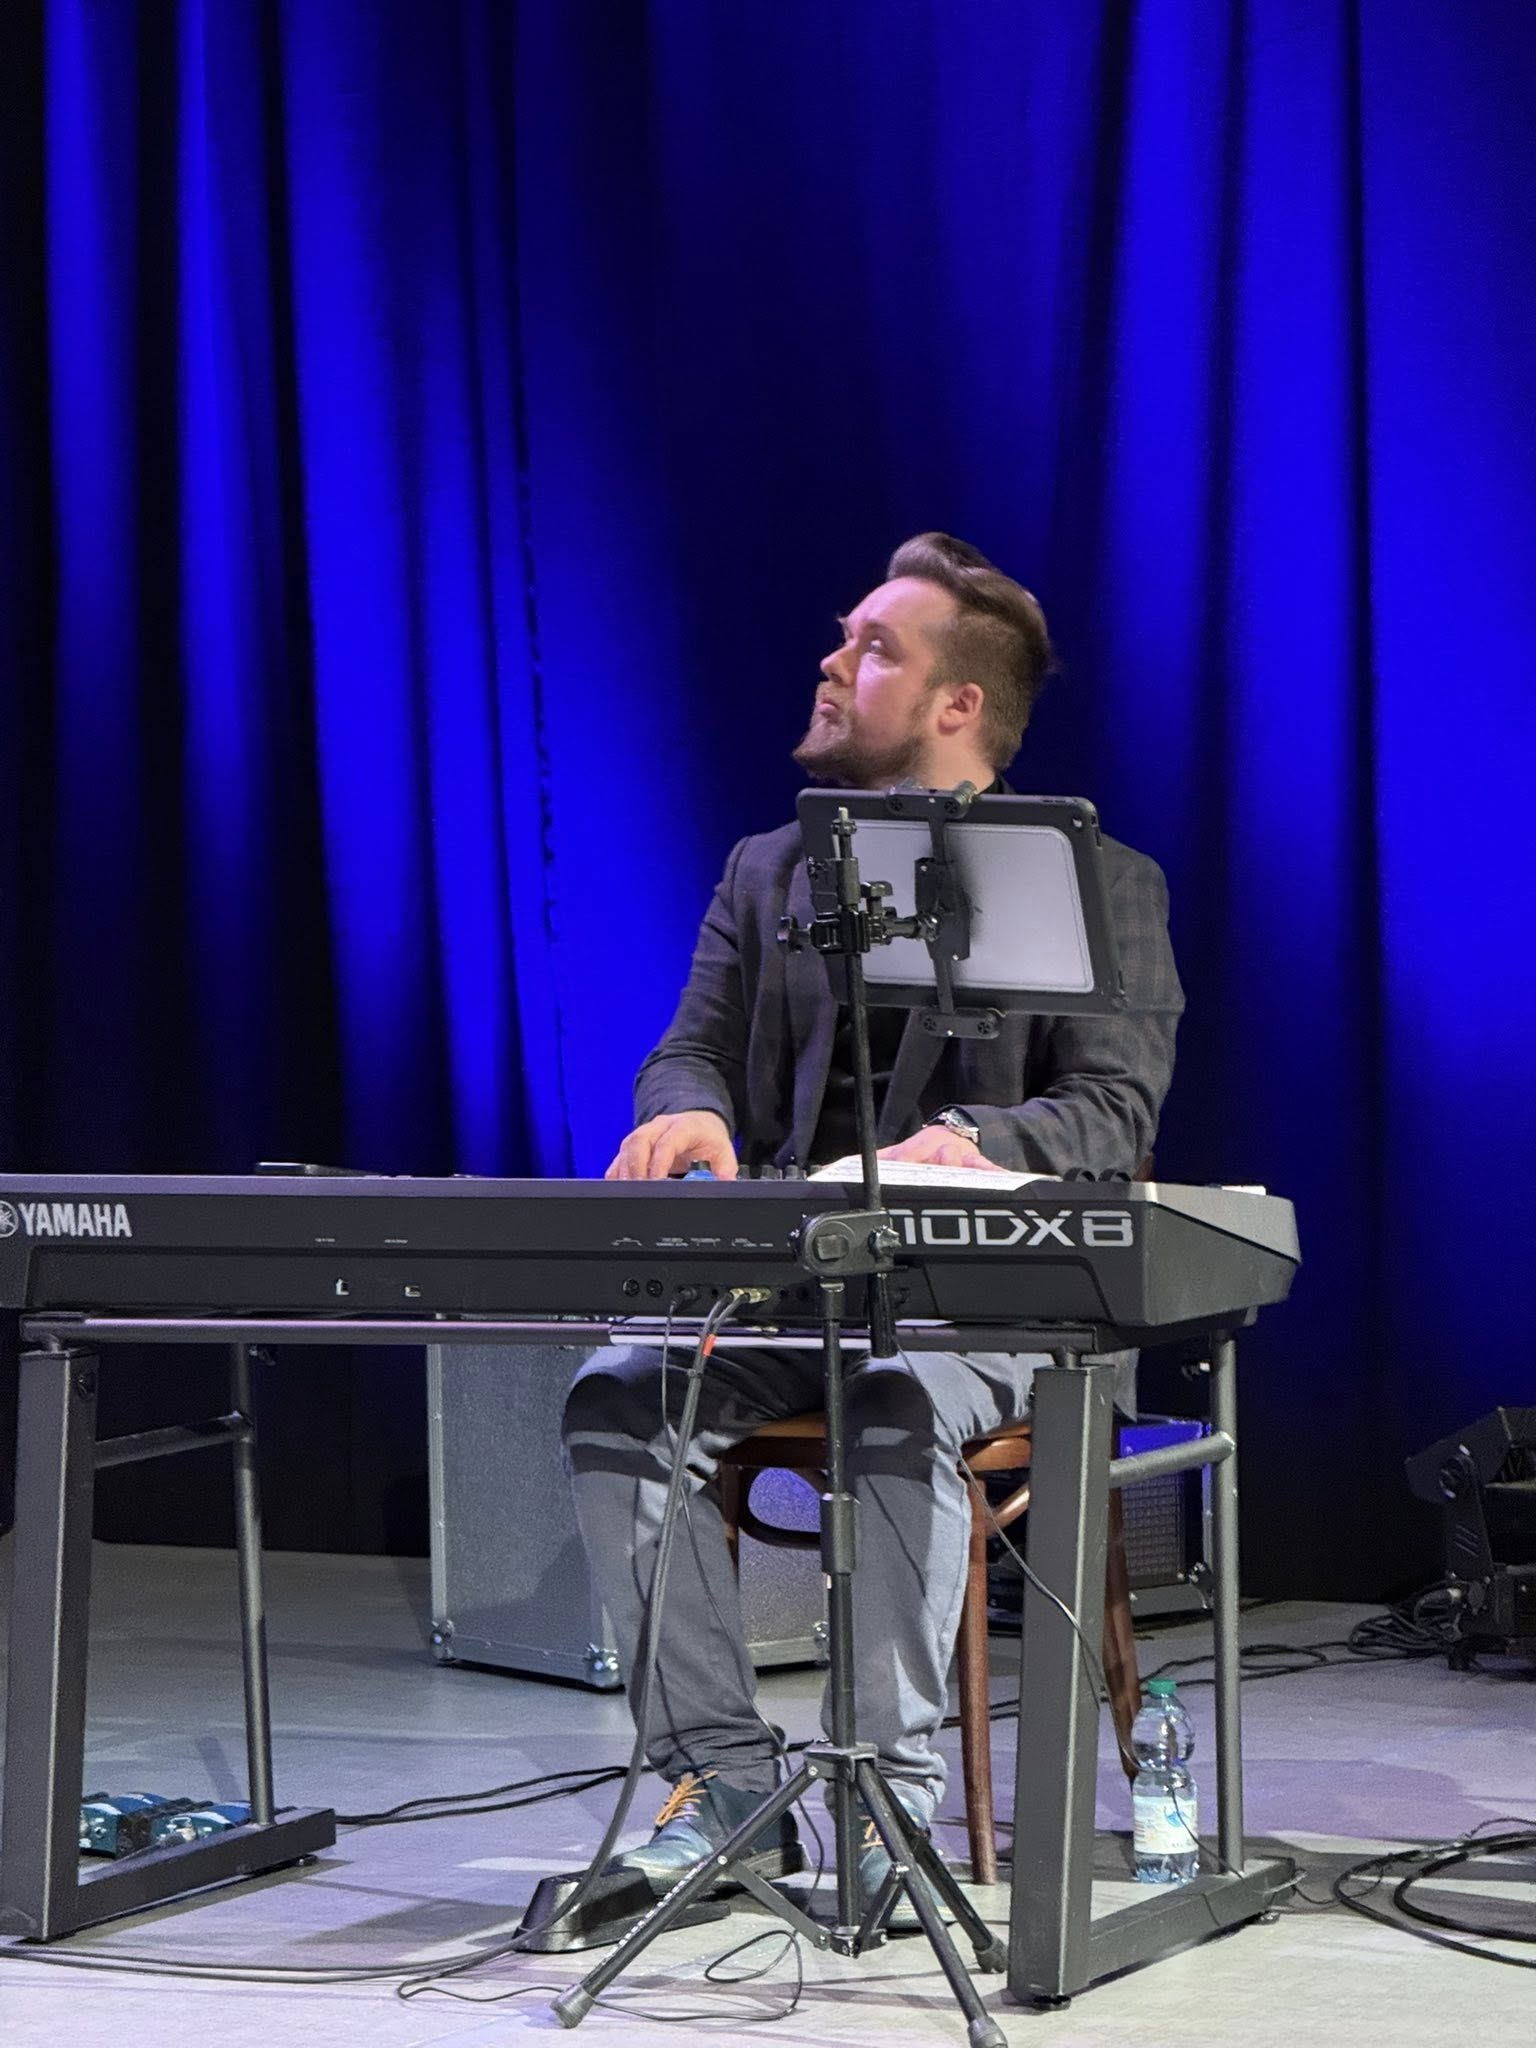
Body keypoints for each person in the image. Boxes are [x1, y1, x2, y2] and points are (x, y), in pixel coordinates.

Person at [562, 533, 1183, 1919]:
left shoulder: (1102, 883)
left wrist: (967, 1143)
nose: (834, 662)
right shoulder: (770, 868)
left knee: (900, 1398)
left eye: (874, 648)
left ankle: (886, 1811)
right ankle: (724, 1787)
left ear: (958, 704)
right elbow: (689, 1050)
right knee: (617, 1395)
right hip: (800, 1286)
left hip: (1000, 1305)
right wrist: (691, 1113)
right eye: (845, 638)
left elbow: (1110, 1110)